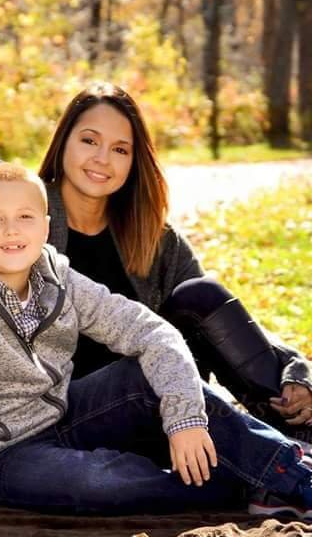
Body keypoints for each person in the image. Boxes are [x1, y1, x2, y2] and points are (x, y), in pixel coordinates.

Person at [0, 163, 312, 524]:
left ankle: (293, 477)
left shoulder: (57, 275)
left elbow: (152, 332)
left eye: (25, 217)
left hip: (67, 413)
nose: (12, 231)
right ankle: (248, 483)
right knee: (102, 482)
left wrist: (185, 419)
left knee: (146, 377)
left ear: (46, 226)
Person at [37, 83, 312, 438]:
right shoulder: (26, 219)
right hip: (78, 410)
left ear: (134, 162)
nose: (102, 158)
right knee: (147, 370)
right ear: (63, 142)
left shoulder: (150, 235)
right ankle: (271, 452)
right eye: (89, 141)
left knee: (200, 293)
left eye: (120, 149)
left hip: (162, 403)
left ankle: (296, 427)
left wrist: (295, 368)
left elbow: (221, 322)